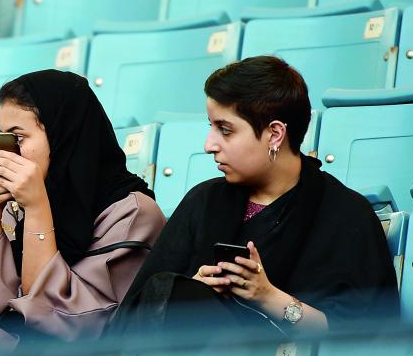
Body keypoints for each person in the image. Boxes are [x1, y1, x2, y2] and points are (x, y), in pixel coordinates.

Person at [109, 56, 398, 337]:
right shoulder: (203, 202)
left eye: (225, 130)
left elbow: (364, 337)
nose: (209, 145)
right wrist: (192, 293)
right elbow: (132, 320)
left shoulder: (345, 215)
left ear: (274, 134)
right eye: (211, 127)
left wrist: (267, 296)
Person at [0, 70, 166, 351]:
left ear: (63, 136)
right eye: (3, 140)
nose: (8, 155)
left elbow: (64, 323)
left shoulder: (133, 213)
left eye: (18, 139)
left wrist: (38, 208)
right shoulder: (16, 209)